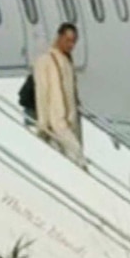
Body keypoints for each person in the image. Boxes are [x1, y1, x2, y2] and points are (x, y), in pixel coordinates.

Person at [33, 23, 87, 170]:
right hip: (56, 120)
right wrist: (42, 122)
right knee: (76, 155)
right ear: (59, 37)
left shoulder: (67, 61)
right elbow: (42, 93)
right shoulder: (46, 60)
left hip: (70, 121)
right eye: (68, 40)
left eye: (73, 41)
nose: (71, 45)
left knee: (68, 158)